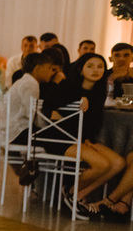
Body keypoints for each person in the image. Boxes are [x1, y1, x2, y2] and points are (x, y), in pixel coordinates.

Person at [44, 53, 124, 218]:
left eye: (100, 66)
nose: (96, 70)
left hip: (83, 137)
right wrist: (76, 101)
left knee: (118, 163)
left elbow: (93, 122)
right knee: (102, 164)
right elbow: (48, 108)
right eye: (90, 66)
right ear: (81, 69)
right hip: (59, 137)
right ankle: (72, 192)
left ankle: (76, 194)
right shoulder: (67, 86)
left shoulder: (99, 92)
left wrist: (86, 139)